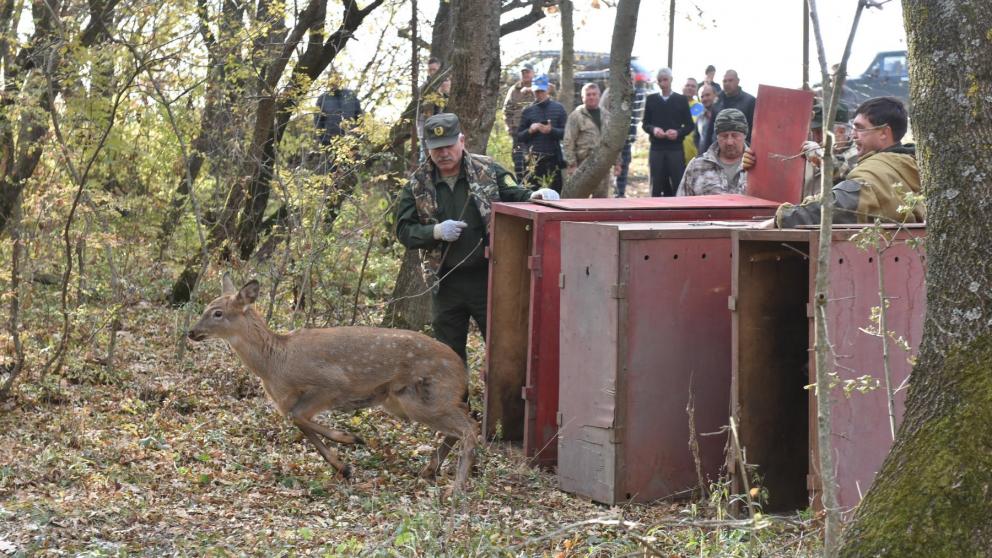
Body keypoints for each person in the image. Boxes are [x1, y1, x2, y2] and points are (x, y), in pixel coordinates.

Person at [395, 113, 559, 362]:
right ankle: (457, 403)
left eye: (449, 145)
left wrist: (536, 195)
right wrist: (435, 232)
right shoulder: (417, 184)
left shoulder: (487, 170)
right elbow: (404, 231)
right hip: (445, 282)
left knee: (503, 351)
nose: (443, 153)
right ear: (428, 148)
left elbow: (514, 194)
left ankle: (500, 401)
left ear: (462, 140)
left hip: (489, 279)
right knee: (449, 359)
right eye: (436, 148)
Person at [765, 96, 923, 228]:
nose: (853, 135)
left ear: (883, 133)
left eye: (860, 128)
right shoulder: (910, 163)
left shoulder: (877, 171)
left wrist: (781, 219)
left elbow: (838, 206)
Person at [641, 67, 694, 197]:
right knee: (656, 185)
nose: (663, 83)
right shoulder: (651, 99)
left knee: (678, 183)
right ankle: (654, 213)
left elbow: (689, 125)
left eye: (665, 80)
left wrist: (678, 132)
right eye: (660, 80)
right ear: (657, 82)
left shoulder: (681, 100)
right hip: (656, 149)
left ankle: (679, 213)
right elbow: (645, 124)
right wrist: (653, 130)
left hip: (675, 149)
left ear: (671, 80)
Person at [677, 108, 749, 196]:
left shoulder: (759, 166)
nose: (729, 142)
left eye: (735, 135)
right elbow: (682, 204)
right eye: (724, 136)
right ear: (717, 136)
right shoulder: (697, 166)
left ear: (745, 135)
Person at [563, 83, 616, 198]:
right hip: (582, 165)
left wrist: (617, 163)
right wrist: (572, 164)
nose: (591, 97)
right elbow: (568, 141)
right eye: (588, 95)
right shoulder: (576, 116)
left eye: (594, 94)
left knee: (601, 201)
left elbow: (613, 141)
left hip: (602, 165)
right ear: (583, 98)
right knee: (580, 200)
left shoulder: (607, 116)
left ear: (599, 96)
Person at [516, 74, 568, 192]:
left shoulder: (558, 108)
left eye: (541, 91)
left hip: (553, 159)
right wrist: (530, 130)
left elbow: (567, 134)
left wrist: (551, 131)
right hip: (533, 161)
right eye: (536, 91)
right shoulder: (528, 111)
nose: (539, 94)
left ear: (547, 90)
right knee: (531, 195)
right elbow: (519, 136)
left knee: (555, 195)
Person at [601, 71, 648, 197]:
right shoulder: (611, 92)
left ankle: (619, 194)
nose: (630, 81)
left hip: (627, 139)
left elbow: (639, 115)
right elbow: (603, 112)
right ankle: (605, 195)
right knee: (607, 168)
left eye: (632, 79)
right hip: (612, 138)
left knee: (623, 166)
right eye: (628, 79)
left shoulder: (636, 94)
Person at [800, 101, 857, 198]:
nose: (815, 138)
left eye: (819, 132)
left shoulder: (857, 153)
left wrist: (819, 156)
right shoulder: (812, 148)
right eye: (813, 132)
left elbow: (843, 171)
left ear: (840, 131)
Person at [701, 69, 756, 154]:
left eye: (730, 80)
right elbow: (710, 130)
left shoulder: (750, 101)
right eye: (724, 81)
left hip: (741, 153)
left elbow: (754, 131)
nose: (727, 83)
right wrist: (704, 153)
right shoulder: (717, 101)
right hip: (718, 152)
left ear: (738, 81)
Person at [503, 64, 537, 179]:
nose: (525, 74)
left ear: (533, 73)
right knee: (518, 161)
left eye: (527, 72)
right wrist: (509, 126)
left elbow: (547, 99)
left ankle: (533, 185)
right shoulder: (514, 89)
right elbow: (507, 110)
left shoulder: (538, 87)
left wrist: (532, 91)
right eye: (523, 72)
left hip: (535, 131)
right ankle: (520, 185)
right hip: (518, 130)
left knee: (534, 160)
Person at [682, 77, 702, 163]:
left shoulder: (701, 107)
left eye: (693, 86)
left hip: (694, 156)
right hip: (674, 153)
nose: (690, 88)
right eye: (687, 85)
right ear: (682, 87)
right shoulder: (674, 104)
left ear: (696, 90)